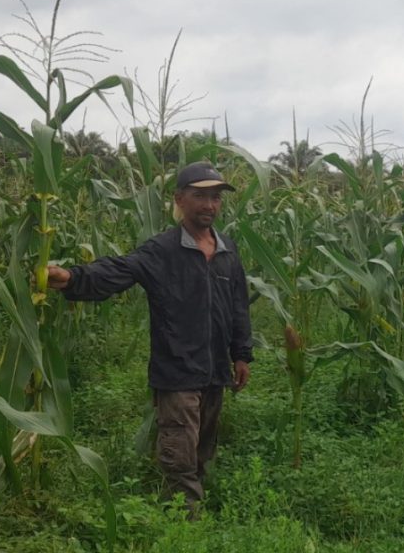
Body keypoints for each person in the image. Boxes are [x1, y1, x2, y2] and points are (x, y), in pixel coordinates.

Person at [42, 161, 254, 517]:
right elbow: (120, 270)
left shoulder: (227, 250)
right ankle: (184, 522)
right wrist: (72, 278)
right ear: (179, 199)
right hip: (177, 369)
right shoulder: (162, 251)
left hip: (216, 368)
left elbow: (238, 306)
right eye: (200, 196)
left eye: (215, 197)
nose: (210, 205)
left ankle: (189, 507)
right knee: (180, 449)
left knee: (203, 446)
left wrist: (241, 354)